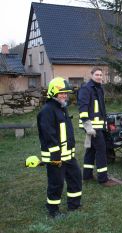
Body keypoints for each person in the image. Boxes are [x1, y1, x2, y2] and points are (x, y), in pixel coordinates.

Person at [37, 77, 82, 218]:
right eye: (61, 93)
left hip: (67, 155)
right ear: (53, 93)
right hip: (55, 157)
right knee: (56, 184)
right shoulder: (47, 110)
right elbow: (48, 135)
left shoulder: (62, 108)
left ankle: (74, 205)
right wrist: (55, 156)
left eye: (66, 93)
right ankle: (53, 211)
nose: (65, 96)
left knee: (75, 178)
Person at [78, 67, 118, 187]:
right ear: (91, 75)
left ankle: (87, 175)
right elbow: (83, 108)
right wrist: (88, 126)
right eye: (97, 74)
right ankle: (103, 179)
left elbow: (100, 109)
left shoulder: (99, 88)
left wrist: (106, 124)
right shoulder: (86, 88)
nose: (99, 77)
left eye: (101, 75)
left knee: (91, 150)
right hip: (92, 126)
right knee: (101, 150)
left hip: (98, 126)